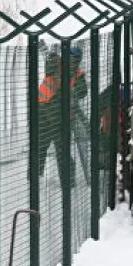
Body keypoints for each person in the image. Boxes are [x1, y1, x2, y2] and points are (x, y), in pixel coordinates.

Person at [37, 47, 88, 190]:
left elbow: (82, 92)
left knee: (61, 151)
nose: (71, 62)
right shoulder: (55, 66)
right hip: (45, 114)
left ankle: (68, 182)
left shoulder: (77, 75)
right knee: (42, 148)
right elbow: (50, 65)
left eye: (74, 60)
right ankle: (35, 178)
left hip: (60, 118)